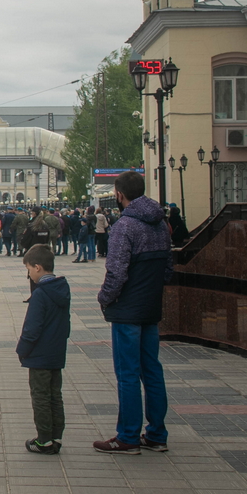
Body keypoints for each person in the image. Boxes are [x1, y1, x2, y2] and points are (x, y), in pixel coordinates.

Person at [93, 170, 172, 455]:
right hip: (150, 308)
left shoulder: (125, 226)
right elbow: (168, 268)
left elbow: (116, 272)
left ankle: (127, 437)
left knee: (128, 374)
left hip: (127, 311)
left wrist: (104, 298)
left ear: (119, 194)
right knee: (152, 371)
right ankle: (156, 435)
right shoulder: (160, 224)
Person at [17, 243, 70, 454]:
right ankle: (56, 437)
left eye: (28, 270)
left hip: (39, 355)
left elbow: (32, 329)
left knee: (40, 397)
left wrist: (22, 350)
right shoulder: (62, 289)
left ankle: (43, 440)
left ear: (37, 267)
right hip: (56, 353)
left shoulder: (40, 294)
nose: (28, 275)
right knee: (55, 395)